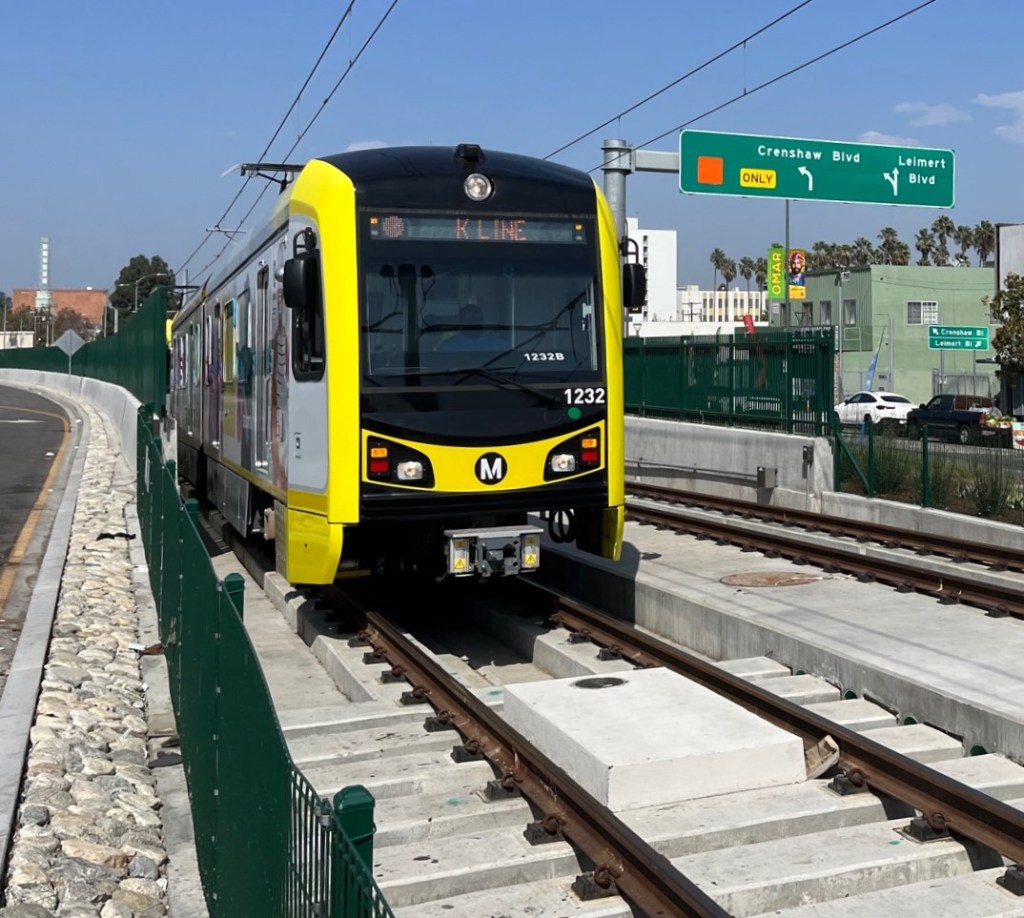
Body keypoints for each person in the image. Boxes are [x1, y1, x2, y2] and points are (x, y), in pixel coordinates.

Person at [438, 303, 505, 352]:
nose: (473, 323)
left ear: (482, 321)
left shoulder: (499, 345)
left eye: (477, 319)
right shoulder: (448, 347)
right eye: (468, 320)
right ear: (461, 322)